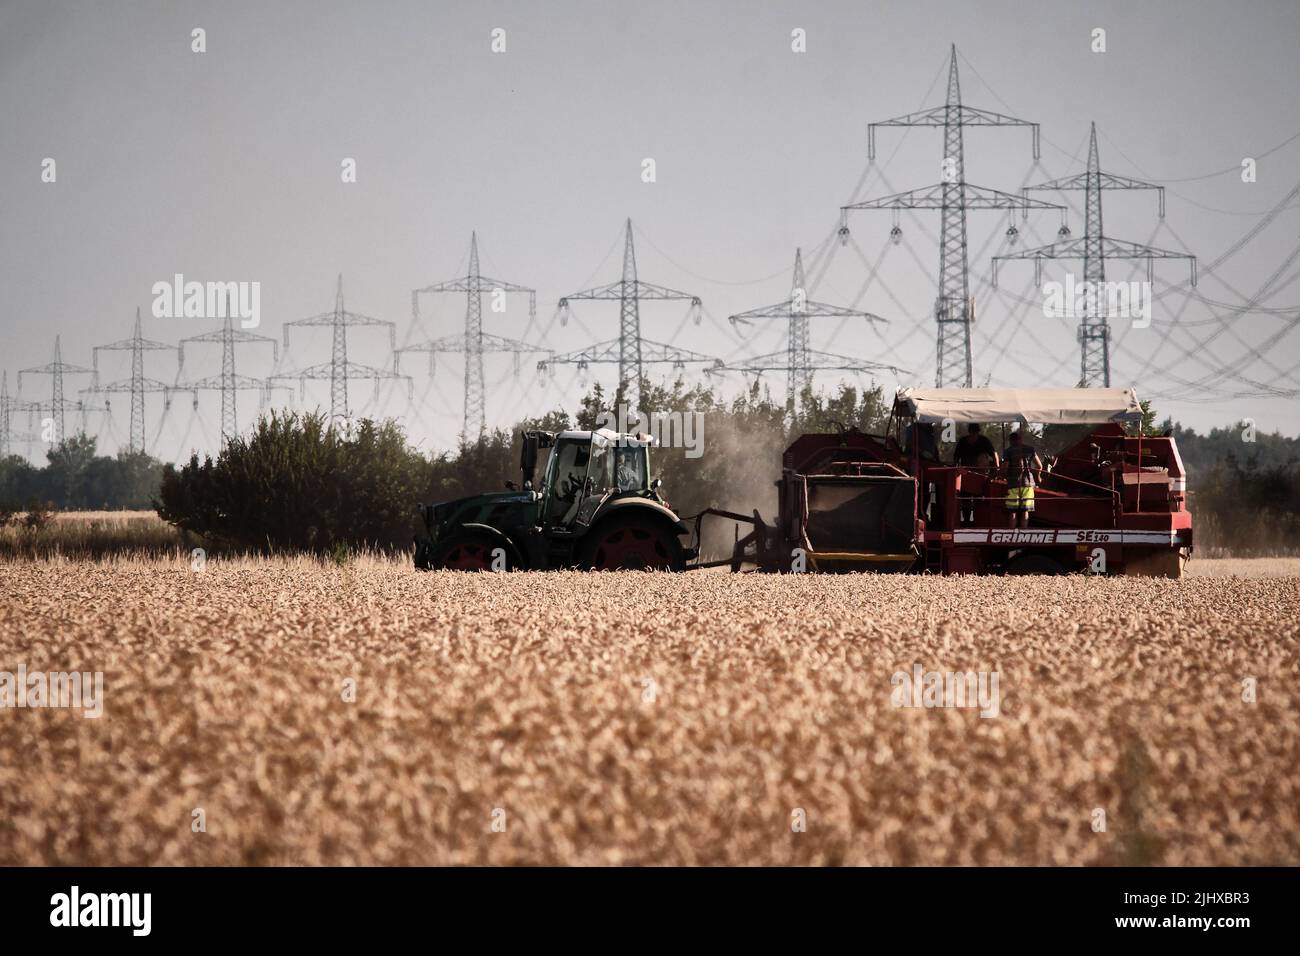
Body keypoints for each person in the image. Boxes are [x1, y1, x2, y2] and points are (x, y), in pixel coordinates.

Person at [953, 423, 999, 525]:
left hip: (980, 474)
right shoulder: (963, 441)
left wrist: (996, 469)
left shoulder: (984, 441)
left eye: (975, 432)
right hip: (966, 474)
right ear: (969, 432)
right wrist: (955, 469)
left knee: (978, 499)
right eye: (972, 432)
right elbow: (956, 457)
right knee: (966, 499)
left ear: (978, 432)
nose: (974, 434)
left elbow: (994, 454)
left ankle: (978, 521)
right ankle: (966, 521)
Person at [1003, 429, 1042, 529]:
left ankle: (1012, 537)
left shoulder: (1008, 451)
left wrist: (1001, 475)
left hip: (1013, 484)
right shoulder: (1030, 449)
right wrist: (1038, 477)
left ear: (1011, 441)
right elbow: (1039, 466)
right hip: (1028, 484)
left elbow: (1005, 467)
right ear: (1020, 439)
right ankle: (1023, 535)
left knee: (1013, 512)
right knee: (1025, 511)